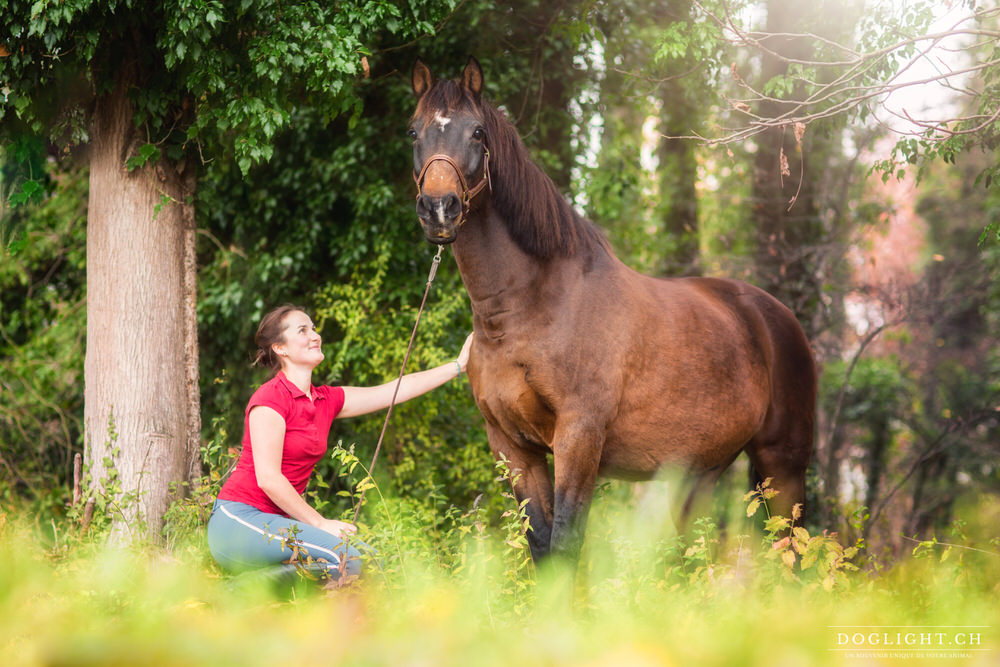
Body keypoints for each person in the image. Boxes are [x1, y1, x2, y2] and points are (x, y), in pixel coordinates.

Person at [207, 304, 473, 584]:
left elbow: (393, 390)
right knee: (348, 560)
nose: (315, 335)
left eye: (314, 328)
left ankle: (266, 597)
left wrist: (457, 366)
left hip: (278, 528)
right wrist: (320, 523)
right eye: (302, 330)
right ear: (280, 348)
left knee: (374, 564)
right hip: (237, 522)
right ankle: (234, 595)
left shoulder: (324, 399)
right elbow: (269, 479)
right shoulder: (271, 399)